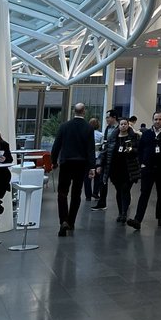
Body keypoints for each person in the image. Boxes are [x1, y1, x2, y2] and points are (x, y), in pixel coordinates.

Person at [127, 110, 161, 230]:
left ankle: (160, 216)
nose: (158, 121)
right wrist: (142, 163)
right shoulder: (146, 134)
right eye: (156, 119)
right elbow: (140, 150)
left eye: (160, 119)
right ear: (153, 120)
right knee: (144, 193)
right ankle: (137, 220)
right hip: (148, 168)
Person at [50, 102, 96, 237]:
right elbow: (90, 149)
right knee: (76, 193)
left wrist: (53, 162)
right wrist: (92, 166)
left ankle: (63, 220)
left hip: (66, 162)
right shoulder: (88, 128)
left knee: (62, 192)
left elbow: (56, 145)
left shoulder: (64, 126)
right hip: (81, 164)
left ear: (73, 112)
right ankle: (71, 221)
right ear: (84, 112)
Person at [101, 116, 139, 223]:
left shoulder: (133, 137)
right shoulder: (113, 137)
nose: (123, 126)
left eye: (125, 124)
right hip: (115, 169)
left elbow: (138, 150)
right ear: (119, 125)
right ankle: (120, 212)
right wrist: (100, 163)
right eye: (121, 124)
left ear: (128, 125)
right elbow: (107, 150)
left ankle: (124, 212)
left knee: (125, 189)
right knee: (119, 190)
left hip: (128, 169)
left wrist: (131, 150)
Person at [92, 112, 120, 211]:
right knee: (102, 181)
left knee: (118, 183)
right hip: (106, 158)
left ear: (114, 117)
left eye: (108, 117)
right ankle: (102, 202)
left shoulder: (120, 128)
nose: (106, 119)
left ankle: (123, 204)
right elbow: (105, 144)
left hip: (116, 159)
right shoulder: (108, 128)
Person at [85, 116, 103, 202]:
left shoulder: (85, 133)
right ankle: (95, 193)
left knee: (87, 177)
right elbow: (102, 147)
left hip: (88, 157)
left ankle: (88, 195)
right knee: (98, 176)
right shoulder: (101, 134)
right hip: (97, 156)